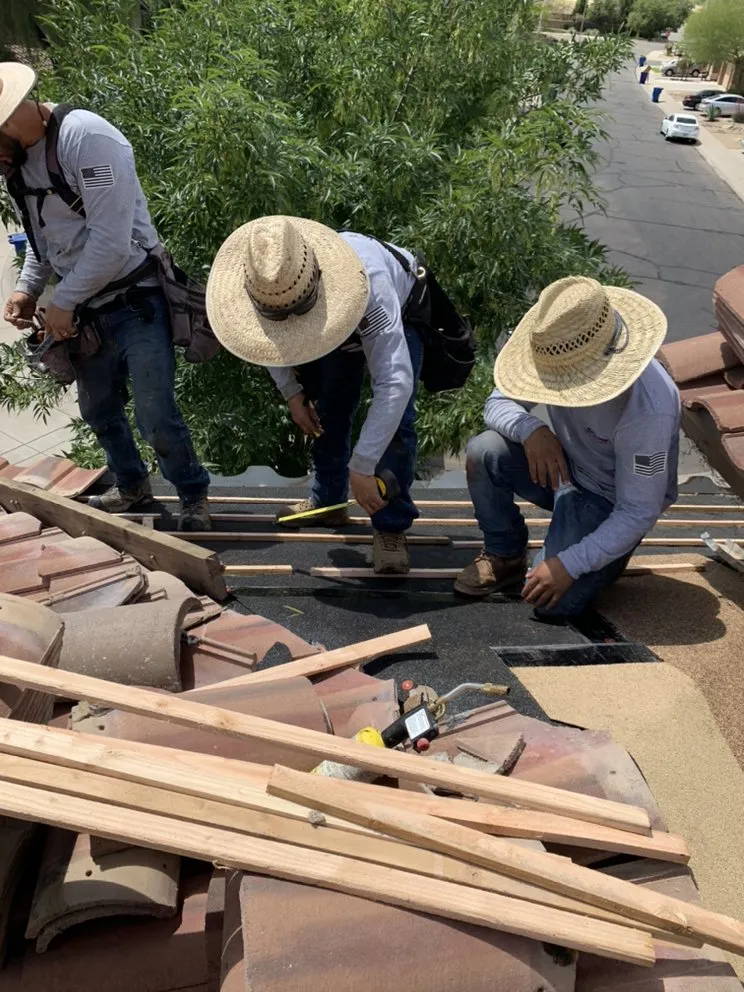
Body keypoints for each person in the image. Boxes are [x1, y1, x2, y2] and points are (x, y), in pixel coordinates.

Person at [0, 62, 210, 529]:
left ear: (11, 117)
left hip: (136, 298)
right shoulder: (17, 165)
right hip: (86, 311)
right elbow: (46, 240)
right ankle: (132, 486)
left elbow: (112, 243)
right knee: (99, 409)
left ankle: (193, 493)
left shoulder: (87, 139)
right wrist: (27, 288)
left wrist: (64, 300)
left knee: (155, 414)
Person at [206, 215, 424, 573]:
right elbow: (269, 343)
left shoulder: (370, 285)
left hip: (402, 308)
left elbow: (394, 384)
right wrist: (292, 393)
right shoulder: (268, 281)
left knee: (397, 424)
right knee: (331, 406)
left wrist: (363, 466)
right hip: (332, 314)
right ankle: (329, 501)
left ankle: (390, 525)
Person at [455, 275, 680, 617]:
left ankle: (608, 559)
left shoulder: (648, 408)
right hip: (566, 469)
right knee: (485, 451)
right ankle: (505, 553)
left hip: (609, 501)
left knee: (550, 603)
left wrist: (570, 564)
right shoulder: (559, 345)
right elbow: (495, 404)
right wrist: (531, 430)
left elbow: (638, 511)